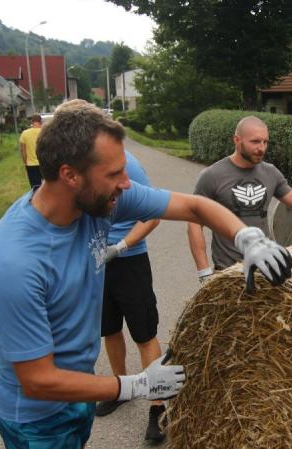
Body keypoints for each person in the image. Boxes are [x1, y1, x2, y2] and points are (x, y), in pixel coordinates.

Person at [0, 100, 292, 448]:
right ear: (70, 175)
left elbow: (193, 206)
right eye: (114, 174)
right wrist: (136, 385)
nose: (126, 184)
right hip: (36, 418)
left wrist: (247, 238)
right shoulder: (13, 262)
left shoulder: (97, 200)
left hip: (76, 392)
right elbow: (38, 380)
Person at [187, 116, 292, 283]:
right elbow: (194, 224)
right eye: (255, 142)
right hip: (228, 272)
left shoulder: (271, 173)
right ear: (237, 140)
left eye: (265, 142)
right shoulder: (212, 175)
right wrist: (204, 271)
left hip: (265, 267)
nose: (261, 148)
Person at [93, 150, 167, 443]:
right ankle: (122, 389)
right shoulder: (83, 161)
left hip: (130, 260)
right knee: (109, 329)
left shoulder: (127, 165)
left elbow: (154, 215)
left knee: (144, 335)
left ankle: (158, 408)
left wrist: (121, 245)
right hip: (98, 262)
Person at [20, 114, 43, 188]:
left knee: (35, 187)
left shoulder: (25, 133)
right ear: (41, 122)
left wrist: (25, 162)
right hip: (45, 163)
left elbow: (23, 150)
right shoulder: (45, 132)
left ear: (32, 122)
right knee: (48, 185)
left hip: (31, 165)